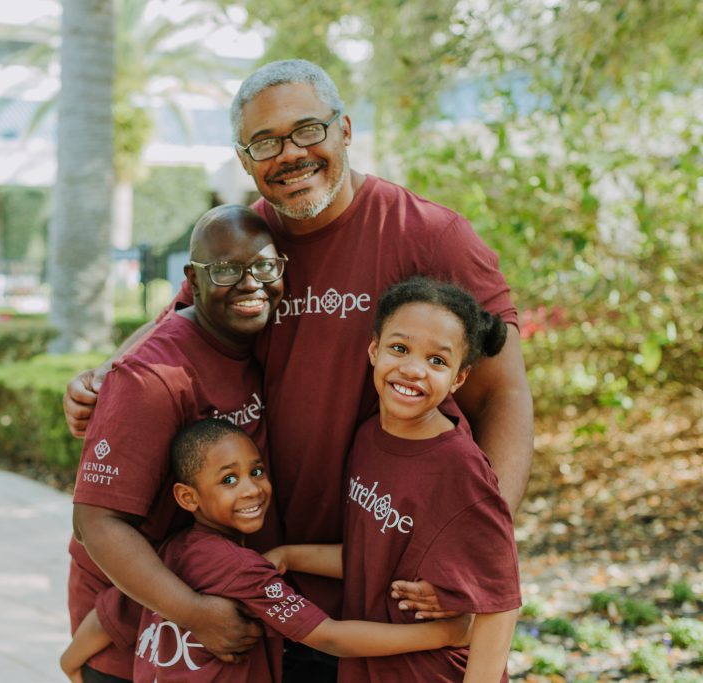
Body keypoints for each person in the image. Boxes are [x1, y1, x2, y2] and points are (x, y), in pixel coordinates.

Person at [64, 59, 534, 679]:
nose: (290, 154)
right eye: (265, 141)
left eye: (308, 130)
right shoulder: (250, 242)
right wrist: (105, 371)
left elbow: (504, 396)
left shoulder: (430, 236)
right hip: (266, 586)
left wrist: (472, 549)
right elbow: (179, 316)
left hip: (383, 590)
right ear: (244, 158)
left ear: (344, 130)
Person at [62, 418, 473, 682]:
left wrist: (69, 665)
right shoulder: (238, 570)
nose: (251, 488)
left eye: (256, 471)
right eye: (228, 480)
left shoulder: (166, 557)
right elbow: (331, 638)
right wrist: (444, 632)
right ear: (188, 497)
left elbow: (108, 613)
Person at [67, 204, 286, 682]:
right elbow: (95, 522)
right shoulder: (152, 378)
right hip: (129, 633)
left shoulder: (247, 346)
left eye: (265, 266)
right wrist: (194, 612)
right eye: (226, 269)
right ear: (194, 278)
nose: (251, 283)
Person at [266, 277, 522, 681]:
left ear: (458, 378)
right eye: (399, 349)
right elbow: (373, 556)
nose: (413, 369)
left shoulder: (459, 468)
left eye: (437, 361)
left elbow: (501, 602)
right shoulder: (369, 438)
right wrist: (289, 555)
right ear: (374, 349)